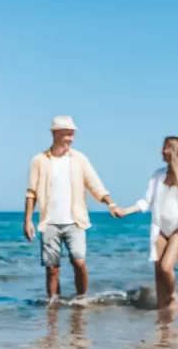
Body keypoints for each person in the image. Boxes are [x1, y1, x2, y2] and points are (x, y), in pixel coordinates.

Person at [24, 116, 119, 301]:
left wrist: (111, 203)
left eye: (72, 134)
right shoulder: (39, 160)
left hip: (75, 221)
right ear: (55, 133)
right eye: (68, 134)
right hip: (49, 222)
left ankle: (81, 299)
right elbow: (31, 192)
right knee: (52, 269)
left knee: (79, 262)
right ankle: (52, 307)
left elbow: (94, 184)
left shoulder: (79, 159)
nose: (71, 138)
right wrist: (27, 220)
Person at [113, 136, 178, 309]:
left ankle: (173, 296)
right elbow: (146, 201)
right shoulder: (158, 175)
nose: (161, 151)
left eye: (165, 148)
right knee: (159, 272)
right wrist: (125, 211)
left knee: (167, 267)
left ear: (173, 151)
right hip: (160, 229)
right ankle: (163, 311)